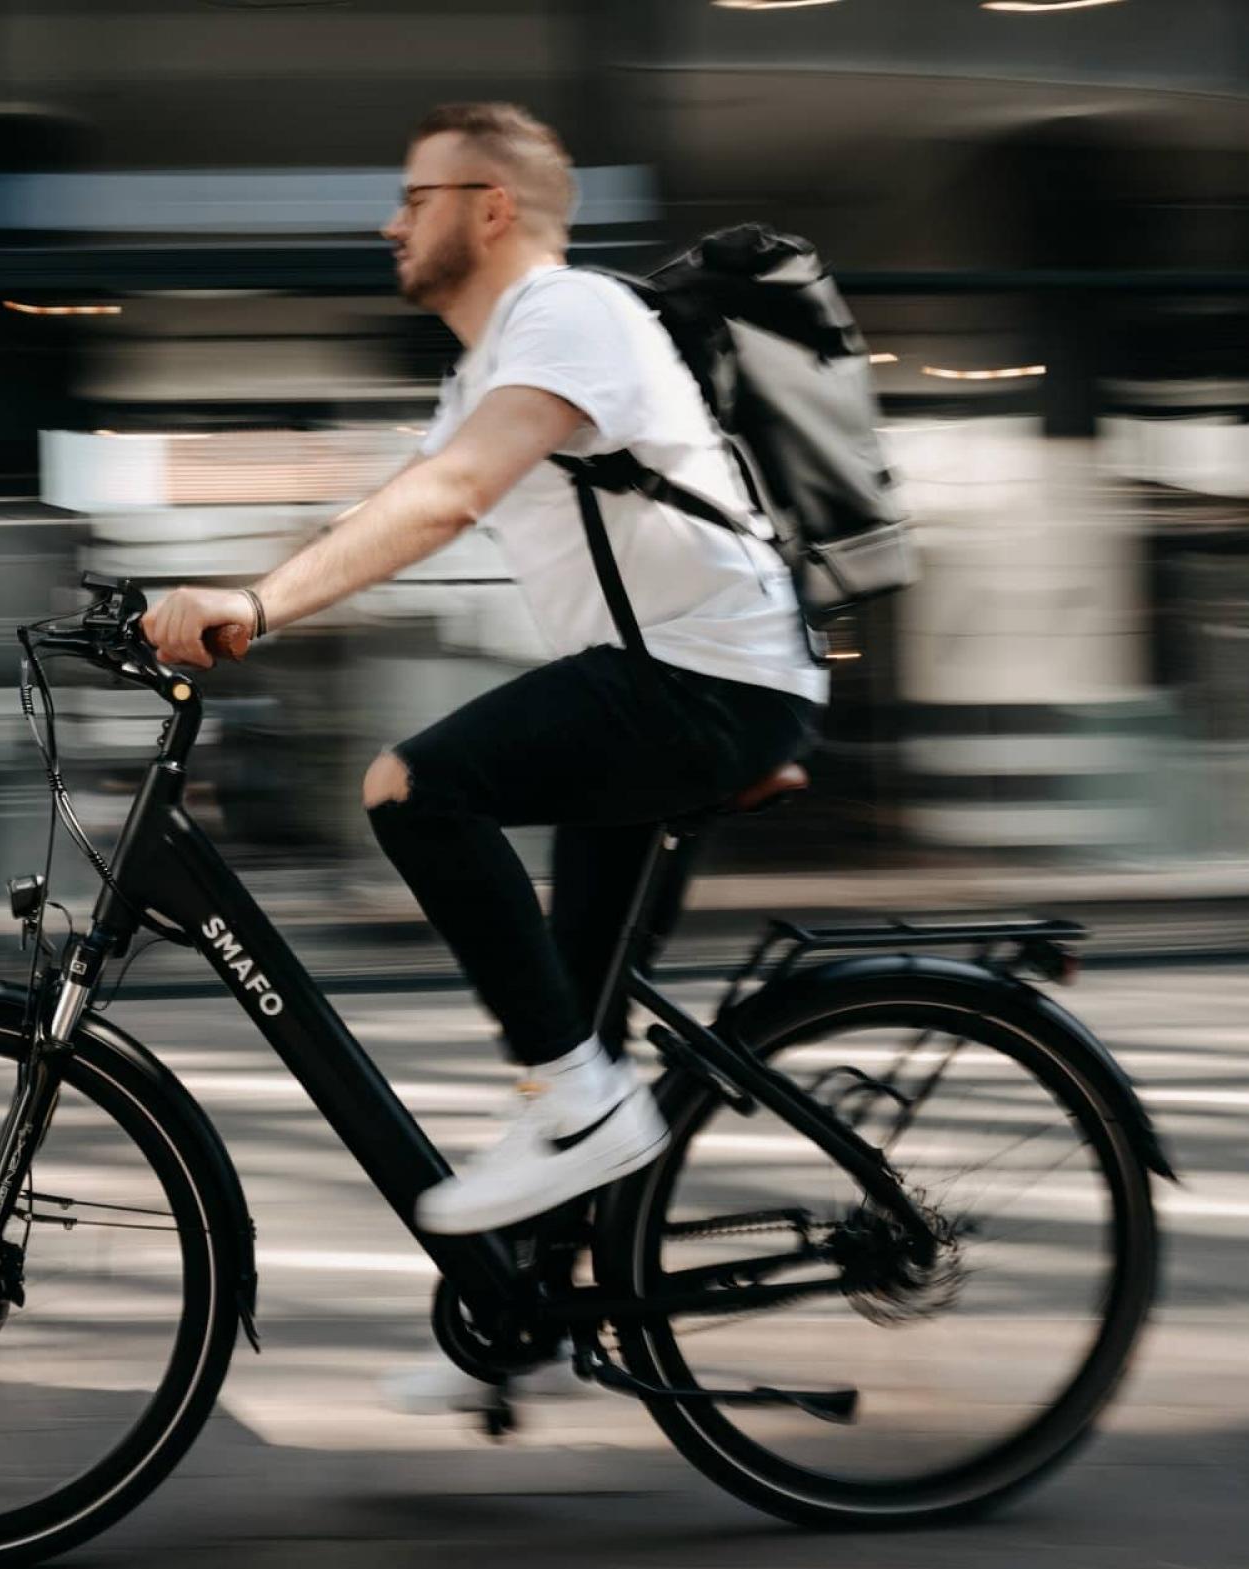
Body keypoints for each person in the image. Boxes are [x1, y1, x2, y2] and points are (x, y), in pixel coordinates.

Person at [144, 100, 824, 1321]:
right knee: (577, 1031)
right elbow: (399, 514)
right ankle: (530, 1317)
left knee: (414, 787)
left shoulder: (571, 313)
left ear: (492, 208)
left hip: (705, 680)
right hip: (667, 688)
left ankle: (581, 1103)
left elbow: (454, 495)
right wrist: (243, 600)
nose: (389, 221)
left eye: (416, 197)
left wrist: (255, 600)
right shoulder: (487, 367)